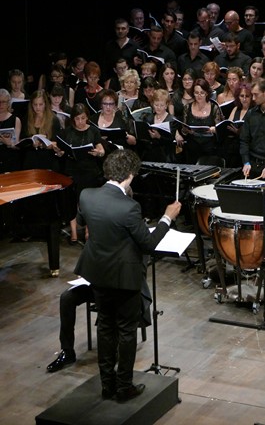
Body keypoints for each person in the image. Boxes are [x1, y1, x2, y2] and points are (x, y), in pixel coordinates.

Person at [74, 149, 181, 402]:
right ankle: (124, 387)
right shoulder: (129, 207)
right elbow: (149, 244)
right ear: (130, 176)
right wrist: (167, 217)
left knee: (105, 328)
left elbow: (81, 224)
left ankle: (107, 385)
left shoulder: (87, 195)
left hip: (97, 273)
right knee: (125, 331)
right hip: (124, 278)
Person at [55, 103, 105, 244]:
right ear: (73, 120)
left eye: (83, 118)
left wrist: (99, 152)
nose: (81, 122)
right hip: (72, 169)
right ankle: (74, 233)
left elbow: (101, 149)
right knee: (71, 200)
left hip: (89, 170)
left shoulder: (93, 131)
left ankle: (89, 230)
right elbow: (62, 150)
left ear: (87, 118)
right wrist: (59, 152)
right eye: (77, 119)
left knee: (88, 201)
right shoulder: (67, 132)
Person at [178, 78, 223, 165]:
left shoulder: (214, 107)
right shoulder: (187, 108)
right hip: (192, 149)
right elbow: (183, 131)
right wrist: (186, 130)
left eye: (202, 93)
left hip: (210, 149)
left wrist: (215, 129)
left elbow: (221, 131)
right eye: (196, 93)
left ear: (207, 93)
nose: (199, 95)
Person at [22, 89, 62, 170]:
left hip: (48, 161)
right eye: (35, 104)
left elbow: (57, 142)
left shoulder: (53, 120)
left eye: (41, 104)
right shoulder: (27, 119)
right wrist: (31, 143)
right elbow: (22, 140)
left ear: (45, 104)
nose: (37, 107)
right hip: (30, 161)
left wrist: (45, 145)